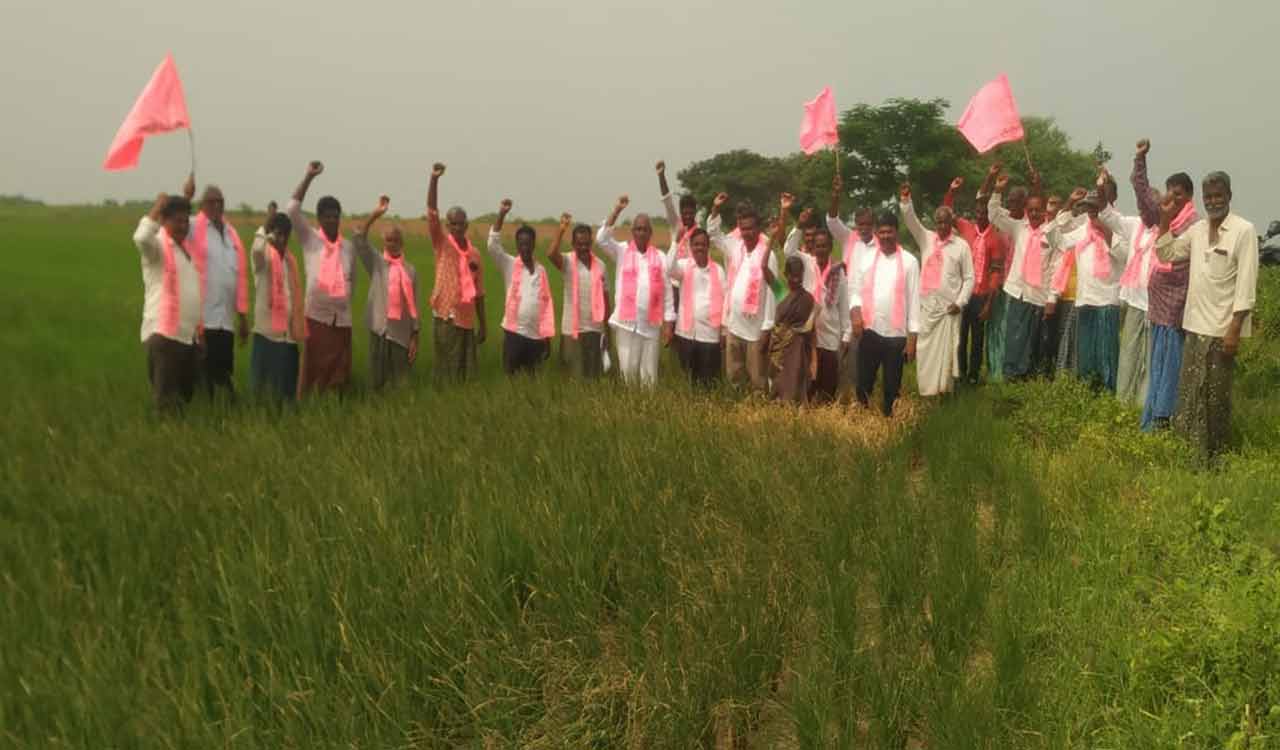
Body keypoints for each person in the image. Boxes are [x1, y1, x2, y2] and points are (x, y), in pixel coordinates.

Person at [1155, 172, 1258, 463]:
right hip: (1194, 325)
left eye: (1218, 195)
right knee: (1190, 393)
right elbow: (1167, 254)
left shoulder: (1243, 230)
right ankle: (1189, 453)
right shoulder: (1197, 230)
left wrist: (1235, 328)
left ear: (1229, 196)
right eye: (1208, 196)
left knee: (1215, 396)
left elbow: (1246, 284)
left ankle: (1215, 457)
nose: (1213, 201)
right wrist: (1164, 219)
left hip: (1221, 329)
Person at [1134, 140, 1199, 430]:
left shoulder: (1191, 225)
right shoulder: (1167, 218)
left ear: (1189, 196)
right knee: (1156, 367)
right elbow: (1143, 193)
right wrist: (1140, 158)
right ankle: (1152, 418)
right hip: (1159, 308)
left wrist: (1165, 220)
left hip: (1175, 310)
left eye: (1179, 194)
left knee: (1169, 367)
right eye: (1170, 193)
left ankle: (1163, 420)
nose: (1173, 199)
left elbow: (1171, 257)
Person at [980, 163, 1058, 380]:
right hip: (1017, 292)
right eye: (1030, 210)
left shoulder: (1051, 233)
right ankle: (1011, 377)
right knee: (1014, 338)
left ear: (1044, 212)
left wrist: (1051, 297)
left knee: (1034, 341)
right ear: (1026, 211)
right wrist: (997, 190)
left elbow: (1054, 267)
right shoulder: (1018, 227)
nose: (1034, 213)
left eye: (1038, 210)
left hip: (1039, 296)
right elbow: (993, 213)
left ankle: (1030, 380)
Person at [1047, 188, 1127, 390]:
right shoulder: (1083, 231)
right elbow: (1056, 239)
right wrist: (1068, 204)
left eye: (1095, 208)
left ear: (1103, 207)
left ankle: (1107, 394)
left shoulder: (1118, 228)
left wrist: (1107, 233)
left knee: (1107, 355)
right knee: (1086, 354)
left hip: (1108, 301)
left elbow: (1125, 256)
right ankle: (1087, 392)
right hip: (1085, 301)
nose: (1092, 212)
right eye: (1088, 209)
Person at [287, 161, 356, 396]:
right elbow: (292, 210)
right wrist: (309, 176)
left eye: (335, 216)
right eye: (326, 217)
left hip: (342, 320)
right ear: (318, 219)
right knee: (312, 373)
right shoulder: (311, 240)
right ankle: (307, 410)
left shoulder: (347, 247)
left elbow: (352, 281)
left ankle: (335, 413)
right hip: (316, 318)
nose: (332, 221)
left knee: (338, 376)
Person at [901, 183, 974, 398]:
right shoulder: (927, 239)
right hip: (927, 307)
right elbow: (911, 222)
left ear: (952, 222)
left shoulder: (961, 246)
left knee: (947, 352)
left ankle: (944, 392)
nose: (942, 226)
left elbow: (969, 278)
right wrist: (906, 201)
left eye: (946, 222)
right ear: (935, 223)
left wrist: (959, 303)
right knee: (924, 350)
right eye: (938, 222)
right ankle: (926, 392)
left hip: (949, 310)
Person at [595, 195, 676, 385]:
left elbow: (668, 293)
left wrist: (669, 323)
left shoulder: (660, 257)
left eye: (645, 229)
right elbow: (601, 239)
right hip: (626, 324)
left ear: (650, 233)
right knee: (628, 374)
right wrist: (617, 210)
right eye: (638, 229)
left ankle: (647, 409)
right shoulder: (622, 251)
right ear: (633, 232)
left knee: (649, 377)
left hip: (651, 325)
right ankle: (629, 410)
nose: (641, 232)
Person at [133, 190, 202, 411]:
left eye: (185, 221)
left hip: (187, 338)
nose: (183, 226)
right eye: (177, 221)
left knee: (183, 401)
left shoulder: (184, 251)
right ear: (163, 221)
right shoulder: (158, 248)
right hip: (165, 337)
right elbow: (141, 238)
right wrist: (157, 207)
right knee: (166, 403)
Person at [183, 177, 249, 398]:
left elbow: (239, 275)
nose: (216, 206)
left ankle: (221, 410)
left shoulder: (231, 234)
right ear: (202, 205)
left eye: (220, 201)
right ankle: (206, 411)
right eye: (211, 201)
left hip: (226, 320)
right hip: (204, 317)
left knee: (224, 370)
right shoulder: (193, 226)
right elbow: (177, 221)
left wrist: (243, 316)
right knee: (203, 373)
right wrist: (186, 197)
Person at [850, 211, 920, 417]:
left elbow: (914, 301)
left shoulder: (909, 262)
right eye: (881, 232)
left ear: (896, 232)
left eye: (889, 231)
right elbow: (855, 288)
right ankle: (861, 421)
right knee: (863, 383)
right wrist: (855, 313)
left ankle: (888, 425)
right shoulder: (867, 258)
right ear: (876, 233)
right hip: (870, 330)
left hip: (896, 336)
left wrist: (912, 337)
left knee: (891, 387)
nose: (885, 236)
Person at [709, 194, 778, 392]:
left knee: (758, 379)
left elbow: (773, 293)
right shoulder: (735, 247)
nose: (746, 232)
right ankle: (738, 411)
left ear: (758, 229)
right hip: (734, 325)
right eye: (743, 228)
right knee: (734, 375)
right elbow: (713, 234)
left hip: (756, 330)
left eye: (750, 228)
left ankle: (759, 413)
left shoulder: (768, 254)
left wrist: (767, 327)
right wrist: (715, 208)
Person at [943, 177, 1008, 384]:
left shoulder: (996, 239)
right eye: (977, 212)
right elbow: (946, 214)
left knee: (978, 338)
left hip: (981, 295)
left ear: (990, 214)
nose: (980, 216)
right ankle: (960, 373)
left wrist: (989, 303)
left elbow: (996, 272)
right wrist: (951, 191)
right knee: (960, 336)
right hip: (964, 293)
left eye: (984, 213)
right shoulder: (966, 228)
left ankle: (973, 376)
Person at [426, 163, 486, 383]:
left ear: (467, 225)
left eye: (461, 224)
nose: (457, 228)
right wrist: (434, 179)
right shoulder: (442, 244)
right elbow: (432, 213)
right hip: (446, 317)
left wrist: (484, 324)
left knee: (466, 374)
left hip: (468, 320)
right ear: (448, 225)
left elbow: (479, 292)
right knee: (446, 372)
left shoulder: (475, 254)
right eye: (453, 224)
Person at [354, 195, 420, 389]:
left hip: (401, 334)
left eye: (396, 239)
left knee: (400, 385)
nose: (392, 243)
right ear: (384, 242)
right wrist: (376, 214)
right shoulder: (377, 263)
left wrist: (415, 336)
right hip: (379, 331)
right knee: (377, 383)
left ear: (402, 242)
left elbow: (414, 306)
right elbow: (359, 238)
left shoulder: (410, 270)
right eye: (388, 240)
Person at [488, 199, 555, 375]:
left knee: (532, 383)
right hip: (514, 335)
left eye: (528, 243)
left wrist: (547, 338)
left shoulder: (541, 270)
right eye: (521, 243)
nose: (525, 247)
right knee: (513, 381)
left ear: (534, 244)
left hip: (536, 337)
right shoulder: (509, 264)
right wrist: (501, 214)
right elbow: (492, 246)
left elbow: (546, 305)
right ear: (517, 245)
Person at [828, 172, 878, 396]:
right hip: (847, 307)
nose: (863, 229)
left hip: (873, 310)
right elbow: (831, 220)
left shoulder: (882, 245)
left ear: (874, 225)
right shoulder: (849, 238)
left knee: (867, 359)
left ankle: (865, 397)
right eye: (860, 225)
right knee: (845, 354)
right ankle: (844, 398)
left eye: (867, 224)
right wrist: (836, 195)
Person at [249, 203, 305, 401]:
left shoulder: (290, 262)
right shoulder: (263, 259)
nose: (280, 239)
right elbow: (256, 248)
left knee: (286, 395)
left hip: (288, 337)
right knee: (262, 393)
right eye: (277, 234)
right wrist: (266, 227)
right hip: (267, 335)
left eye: (284, 235)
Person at [548, 213, 610, 379]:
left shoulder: (601, 266)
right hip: (572, 332)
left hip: (595, 331)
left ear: (591, 243)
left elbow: (606, 300)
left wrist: (607, 332)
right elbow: (551, 254)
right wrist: (561, 230)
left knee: (593, 378)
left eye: (586, 243)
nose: (583, 248)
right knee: (574, 379)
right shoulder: (568, 261)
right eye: (579, 244)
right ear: (573, 244)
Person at [666, 227, 727, 386]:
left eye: (703, 244)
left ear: (708, 247)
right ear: (690, 246)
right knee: (688, 382)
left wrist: (724, 331)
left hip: (710, 336)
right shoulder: (684, 266)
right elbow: (669, 269)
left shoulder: (719, 271)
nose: (699, 247)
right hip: (686, 334)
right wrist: (675, 242)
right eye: (696, 244)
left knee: (709, 383)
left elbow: (725, 301)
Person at [769, 255, 818, 403]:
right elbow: (764, 267)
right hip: (779, 347)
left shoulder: (808, 299)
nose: (796, 279)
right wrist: (772, 239)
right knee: (778, 383)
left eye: (799, 275)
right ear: (786, 274)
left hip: (799, 348)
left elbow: (811, 330)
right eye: (792, 275)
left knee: (796, 383)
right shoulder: (781, 291)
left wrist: (814, 361)